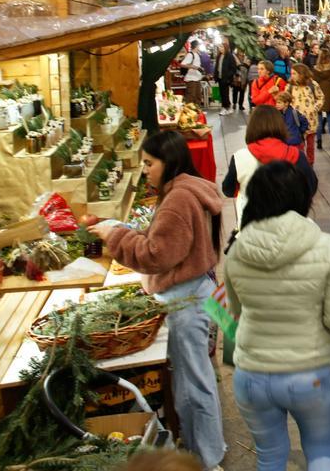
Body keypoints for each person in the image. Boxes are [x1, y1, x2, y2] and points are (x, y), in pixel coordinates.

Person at [88, 131, 226, 471]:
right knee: (199, 377)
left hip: (187, 301)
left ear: (169, 162)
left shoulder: (178, 199)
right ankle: (206, 450)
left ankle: (205, 459)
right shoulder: (190, 187)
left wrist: (115, 234)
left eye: (149, 163)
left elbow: (156, 255)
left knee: (193, 385)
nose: (145, 170)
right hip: (201, 291)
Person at [224, 160, 330, 471]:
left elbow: (234, 313)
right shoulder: (328, 247)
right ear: (303, 198)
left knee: (269, 457)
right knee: (322, 453)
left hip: (252, 373)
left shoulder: (236, 251)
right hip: (310, 373)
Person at [222, 105, 318, 227]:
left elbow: (228, 190)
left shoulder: (239, 157)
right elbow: (311, 186)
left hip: (251, 227)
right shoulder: (297, 156)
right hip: (290, 225)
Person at [288, 64, 325, 166]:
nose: (292, 76)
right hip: (296, 121)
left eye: (294, 73)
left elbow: (321, 97)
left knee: (310, 145)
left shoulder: (313, 84)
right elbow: (285, 99)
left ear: (301, 74)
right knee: (299, 144)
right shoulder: (290, 86)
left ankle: (310, 163)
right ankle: (301, 162)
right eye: (291, 74)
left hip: (311, 121)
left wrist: (315, 108)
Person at [312, 49, 330, 150]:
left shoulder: (315, 69)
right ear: (329, 57)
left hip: (318, 96)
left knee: (319, 121)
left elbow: (313, 83)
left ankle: (319, 142)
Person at [181, 40, 207, 109]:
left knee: (198, 97)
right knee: (191, 97)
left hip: (197, 79)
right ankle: (189, 113)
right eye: (199, 45)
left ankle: (196, 112)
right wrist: (194, 67)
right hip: (191, 79)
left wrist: (200, 68)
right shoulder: (190, 54)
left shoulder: (197, 54)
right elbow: (182, 64)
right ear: (196, 46)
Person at [215, 40, 237, 116]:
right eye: (220, 47)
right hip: (220, 78)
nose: (220, 48)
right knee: (222, 93)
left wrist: (228, 76)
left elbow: (233, 68)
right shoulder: (219, 56)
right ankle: (228, 107)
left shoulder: (230, 56)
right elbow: (217, 67)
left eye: (221, 47)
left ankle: (225, 107)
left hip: (226, 78)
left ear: (225, 48)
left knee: (225, 93)